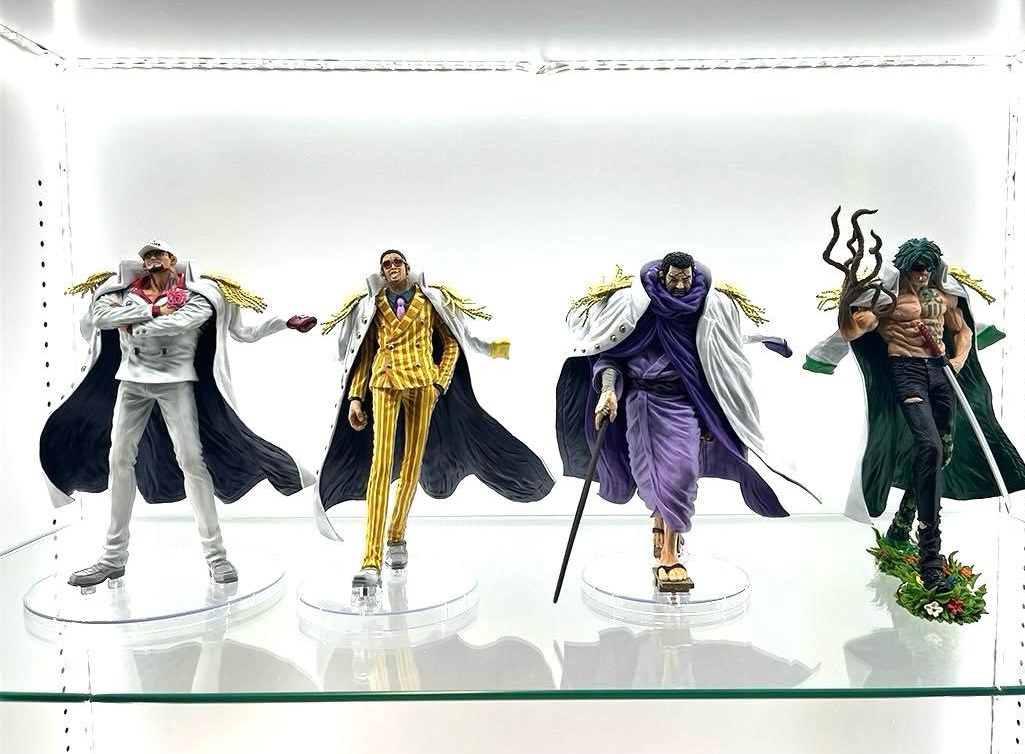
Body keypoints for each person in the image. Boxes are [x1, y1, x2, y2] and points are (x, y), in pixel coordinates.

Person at [41, 239, 317, 588]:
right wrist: (155, 312)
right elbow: (99, 318)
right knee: (118, 459)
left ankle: (216, 555)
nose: (153, 260)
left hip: (175, 382)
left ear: (173, 259)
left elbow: (189, 323)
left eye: (159, 255)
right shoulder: (121, 292)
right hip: (131, 382)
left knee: (192, 460)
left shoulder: (197, 296)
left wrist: (133, 323)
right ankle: (113, 558)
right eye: (147, 256)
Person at [556, 252, 816, 593]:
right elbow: (610, 357)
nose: (680, 286)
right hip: (640, 404)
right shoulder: (636, 309)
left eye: (686, 279)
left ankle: (670, 556)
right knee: (647, 473)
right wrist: (607, 391)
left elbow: (716, 364)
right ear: (662, 275)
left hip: (683, 405)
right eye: (674, 279)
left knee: (681, 474)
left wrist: (713, 413)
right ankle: (660, 523)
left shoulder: (706, 311)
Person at [805, 213, 1025, 589]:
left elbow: (963, 332)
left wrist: (958, 361)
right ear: (905, 267)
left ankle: (900, 526)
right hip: (906, 371)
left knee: (941, 454)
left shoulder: (944, 297)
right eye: (917, 267)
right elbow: (854, 330)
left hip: (941, 373)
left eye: (928, 266)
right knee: (928, 447)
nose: (923, 273)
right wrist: (850, 309)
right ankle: (930, 557)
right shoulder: (887, 299)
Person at [316, 248, 554, 595]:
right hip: (383, 383)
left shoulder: (429, 301)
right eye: (386, 265)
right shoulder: (373, 304)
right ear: (381, 272)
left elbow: (451, 344)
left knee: (412, 466)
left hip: (422, 384)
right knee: (380, 467)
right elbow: (364, 354)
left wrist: (440, 382)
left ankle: (396, 535)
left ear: (407, 267)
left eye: (396, 263)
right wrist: (355, 397)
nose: (392, 268)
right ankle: (370, 560)